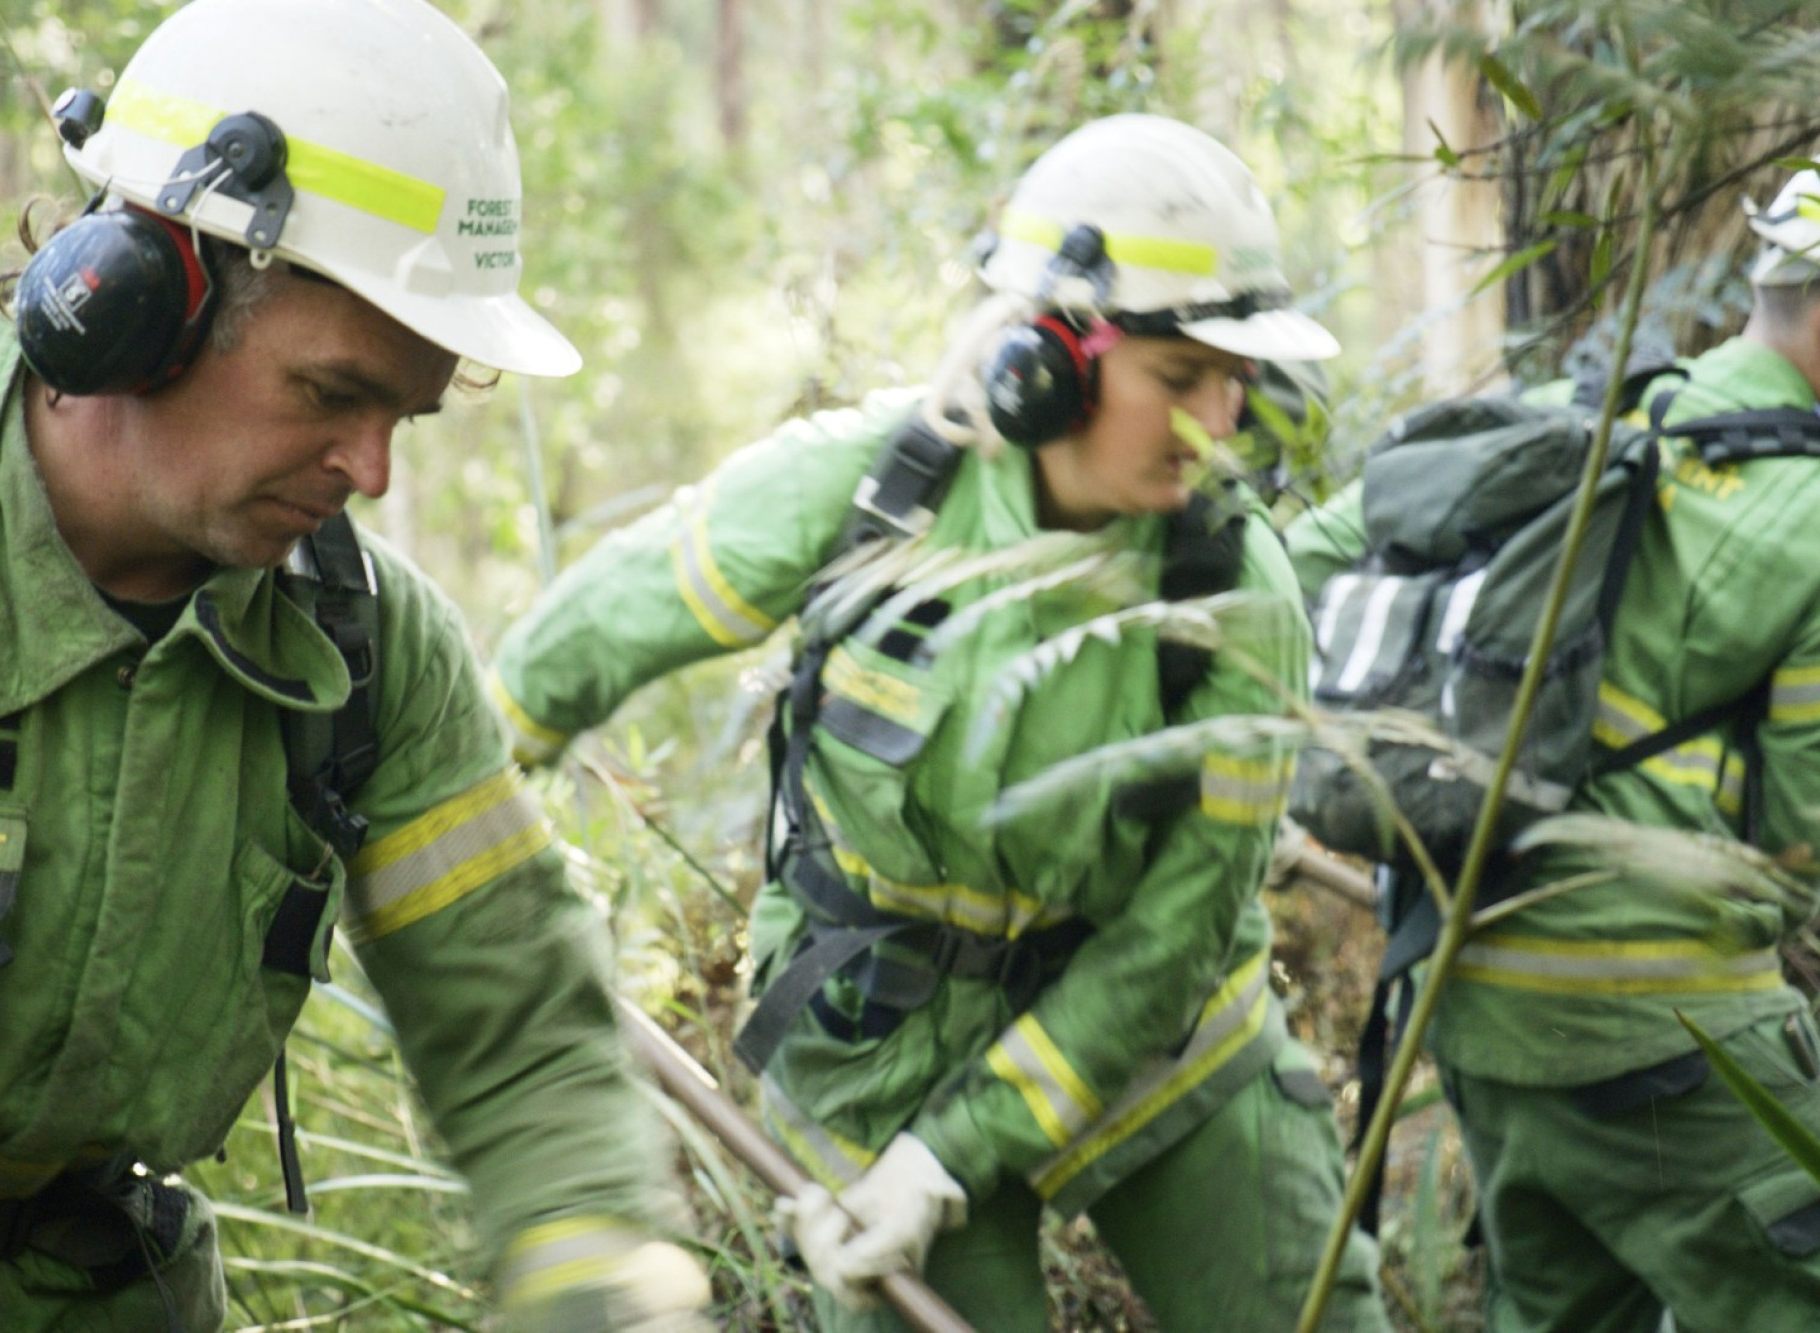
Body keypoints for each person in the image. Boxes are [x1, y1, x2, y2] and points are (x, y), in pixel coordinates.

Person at [0, 1, 711, 1329]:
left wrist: (603, 1289)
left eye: (402, 414)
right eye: (331, 392)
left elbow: (522, 1036)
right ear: (136, 299)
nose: (374, 472)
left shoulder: (366, 650)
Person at [491, 114, 1391, 1331]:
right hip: (877, 1045)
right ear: (1047, 359)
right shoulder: (867, 494)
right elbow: (595, 626)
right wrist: (468, 782)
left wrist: (960, 1151)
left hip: (1152, 1023)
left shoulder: (1237, 591)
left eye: (1234, 381)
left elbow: (1174, 935)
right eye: (1178, 380)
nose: (1216, 425)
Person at [1284, 169, 1820, 1332]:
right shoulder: (1810, 516)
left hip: (1472, 1010)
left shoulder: (1577, 414)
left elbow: (1298, 564)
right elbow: (1796, 835)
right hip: (1670, 1034)